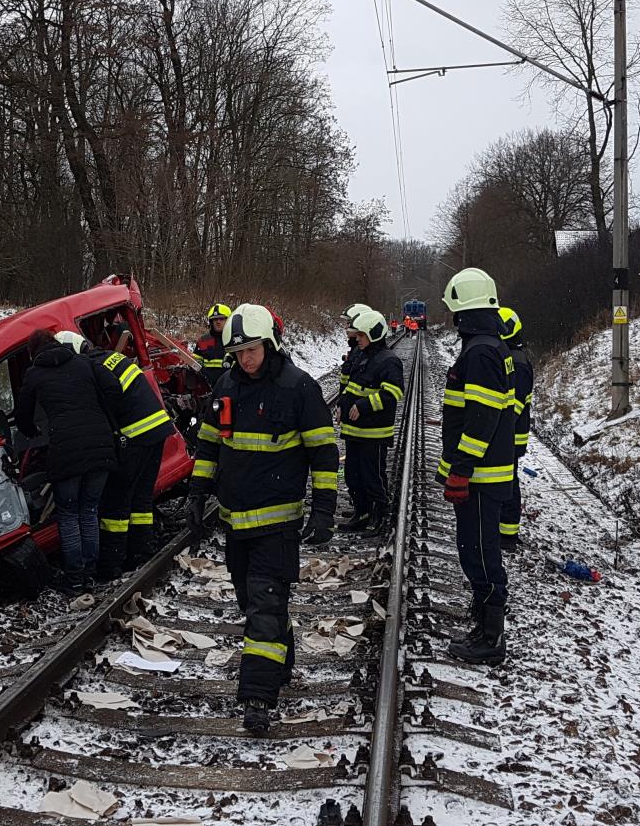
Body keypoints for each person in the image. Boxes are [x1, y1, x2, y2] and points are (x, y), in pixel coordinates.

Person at [187, 303, 338, 736]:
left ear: (269, 345)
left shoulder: (299, 389)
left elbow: (324, 454)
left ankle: (257, 698)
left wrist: (324, 509)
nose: (244, 360)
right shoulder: (226, 385)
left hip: (277, 525)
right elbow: (209, 445)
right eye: (238, 353)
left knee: (264, 611)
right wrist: (198, 495)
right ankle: (280, 662)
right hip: (236, 524)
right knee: (255, 606)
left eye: (251, 350)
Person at [438, 268, 516, 664]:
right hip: (483, 475)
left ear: (462, 309)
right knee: (476, 550)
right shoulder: (487, 346)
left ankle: (490, 639)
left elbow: (482, 418)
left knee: (480, 553)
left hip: (481, 478)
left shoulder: (481, 352)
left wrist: (461, 468)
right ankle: (484, 623)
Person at [55, 330, 174, 579]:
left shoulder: (90, 368)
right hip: (157, 429)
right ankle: (141, 554)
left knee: (116, 503)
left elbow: (109, 402)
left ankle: (111, 566)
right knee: (141, 499)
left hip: (135, 435)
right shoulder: (110, 357)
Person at [14, 330, 124, 594]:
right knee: (89, 511)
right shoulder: (83, 362)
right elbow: (114, 388)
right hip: (100, 446)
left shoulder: (34, 374)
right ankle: (90, 574)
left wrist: (33, 433)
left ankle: (74, 578)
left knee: (69, 513)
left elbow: (22, 417)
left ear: (32, 352)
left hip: (65, 451)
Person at [338, 308, 404, 532]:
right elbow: (351, 386)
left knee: (372, 476)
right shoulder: (361, 355)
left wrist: (363, 406)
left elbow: (393, 393)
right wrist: (342, 405)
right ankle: (362, 512)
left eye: (362, 336)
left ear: (374, 334)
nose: (358, 339)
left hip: (374, 433)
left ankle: (380, 517)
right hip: (354, 430)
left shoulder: (389, 361)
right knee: (352, 476)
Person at [497, 307, 533, 554]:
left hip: (511, 435)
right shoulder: (513, 356)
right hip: (509, 434)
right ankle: (504, 530)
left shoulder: (518, 363)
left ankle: (508, 535)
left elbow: (516, 404)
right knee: (506, 480)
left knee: (508, 482)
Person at [192, 303, 232, 387]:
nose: (218, 322)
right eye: (215, 319)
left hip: (231, 385)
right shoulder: (203, 340)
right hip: (207, 387)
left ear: (229, 320)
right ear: (211, 321)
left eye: (221, 319)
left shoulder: (234, 339)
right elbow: (195, 362)